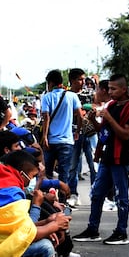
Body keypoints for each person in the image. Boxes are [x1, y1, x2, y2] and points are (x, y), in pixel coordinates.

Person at [70, 74, 129, 246]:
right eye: (109, 88)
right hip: (107, 157)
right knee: (97, 194)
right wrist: (92, 120)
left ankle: (121, 232)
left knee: (121, 197)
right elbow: (103, 132)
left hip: (121, 157)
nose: (110, 92)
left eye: (113, 89)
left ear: (124, 90)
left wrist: (108, 118)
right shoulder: (111, 105)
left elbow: (125, 135)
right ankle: (92, 229)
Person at [39, 69, 82, 200]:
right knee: (64, 174)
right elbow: (80, 115)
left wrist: (44, 137)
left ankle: (49, 201)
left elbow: (46, 118)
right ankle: (63, 202)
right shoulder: (72, 96)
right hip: (67, 142)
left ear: (50, 83)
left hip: (51, 141)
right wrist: (77, 131)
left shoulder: (47, 97)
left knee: (48, 173)